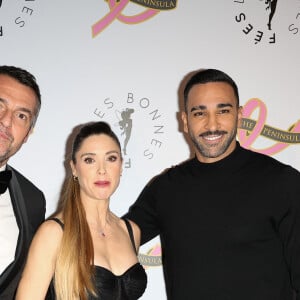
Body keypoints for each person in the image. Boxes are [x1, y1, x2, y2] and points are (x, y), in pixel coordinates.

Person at [124, 68, 300, 300]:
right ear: (185, 121)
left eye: (223, 111)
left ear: (239, 115)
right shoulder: (166, 189)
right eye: (199, 113)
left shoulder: (282, 182)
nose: (212, 124)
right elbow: (115, 239)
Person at [16, 121, 147, 300]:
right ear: (74, 168)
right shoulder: (54, 233)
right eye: (89, 160)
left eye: (111, 158)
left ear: (121, 166)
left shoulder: (131, 231)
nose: (102, 170)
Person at [0, 65, 46, 299]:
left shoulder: (33, 200)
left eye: (21, 115)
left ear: (27, 134)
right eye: (0, 105)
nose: (6, 121)